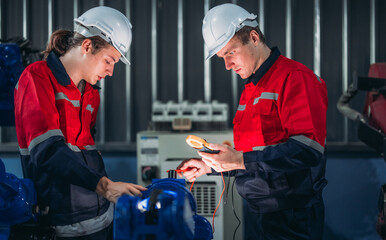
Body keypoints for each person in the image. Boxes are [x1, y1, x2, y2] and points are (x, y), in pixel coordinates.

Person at [178, 3, 328, 240]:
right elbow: (256, 157)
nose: (227, 65)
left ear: (254, 37)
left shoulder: (295, 78)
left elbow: (307, 151)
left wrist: (238, 158)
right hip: (258, 212)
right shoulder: (252, 88)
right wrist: (213, 166)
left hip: (291, 217)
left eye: (230, 52)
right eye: (222, 57)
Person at [14, 6, 146, 240]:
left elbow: (86, 151)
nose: (111, 71)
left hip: (102, 218)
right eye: (109, 60)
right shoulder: (36, 78)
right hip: (61, 226)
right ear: (87, 46)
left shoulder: (91, 91)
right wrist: (105, 186)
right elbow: (47, 151)